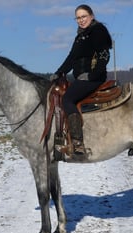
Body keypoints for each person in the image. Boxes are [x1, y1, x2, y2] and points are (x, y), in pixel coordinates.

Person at [50, 4, 112, 157]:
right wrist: (59, 73)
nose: (81, 20)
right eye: (78, 18)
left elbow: (104, 55)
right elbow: (72, 58)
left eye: (83, 16)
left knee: (68, 99)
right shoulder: (80, 36)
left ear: (91, 16)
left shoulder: (98, 31)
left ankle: (77, 143)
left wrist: (92, 75)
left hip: (93, 78)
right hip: (81, 77)